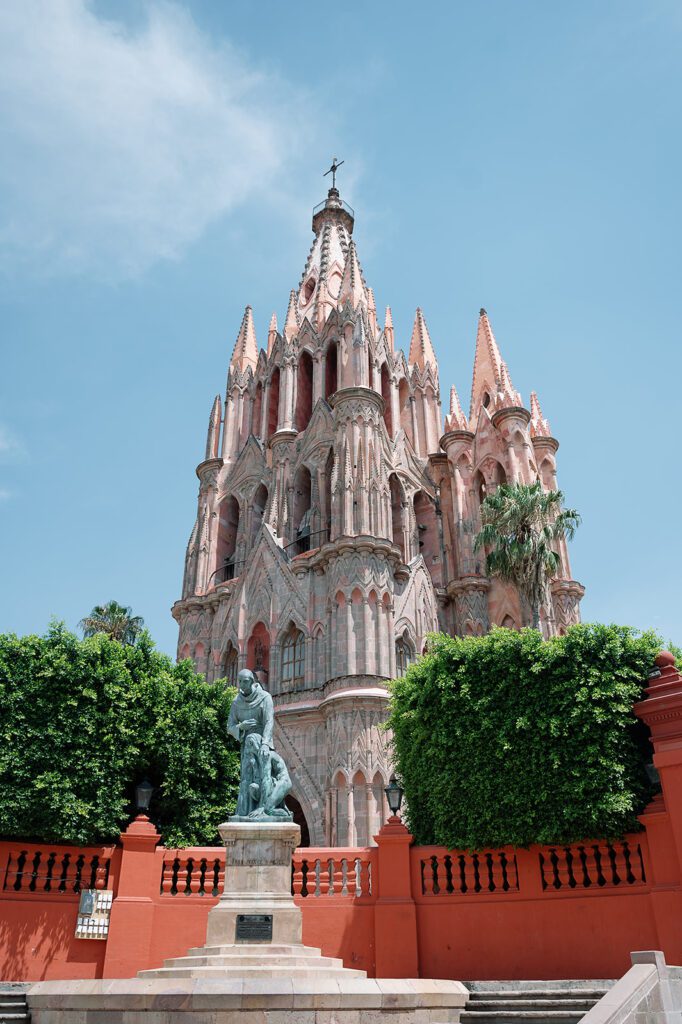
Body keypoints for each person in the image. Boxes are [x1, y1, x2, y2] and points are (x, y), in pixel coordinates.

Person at [227, 668, 292, 820]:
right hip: (247, 742)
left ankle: (264, 807)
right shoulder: (236, 702)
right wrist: (241, 728)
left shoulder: (265, 697)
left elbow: (269, 721)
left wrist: (264, 744)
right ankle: (244, 811)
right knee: (246, 778)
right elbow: (230, 727)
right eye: (240, 682)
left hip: (261, 741)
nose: (242, 685)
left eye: (245, 682)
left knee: (263, 774)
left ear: (252, 681)